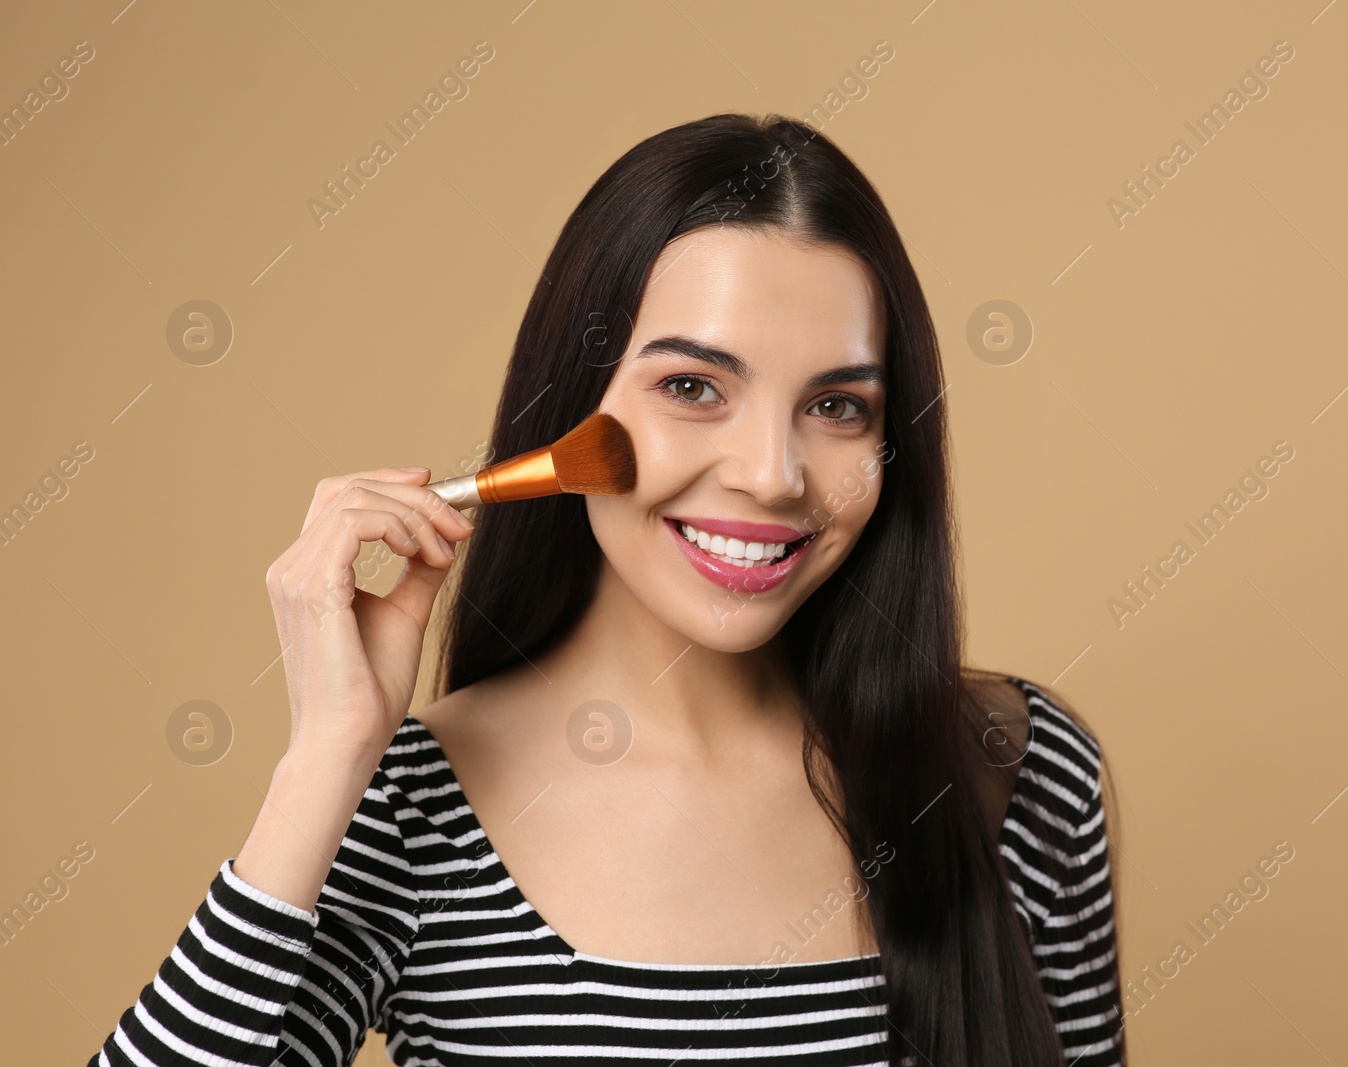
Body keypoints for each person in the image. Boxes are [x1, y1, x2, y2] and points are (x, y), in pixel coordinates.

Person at [90, 113, 1125, 1067]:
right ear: (568, 403)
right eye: (690, 387)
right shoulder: (406, 810)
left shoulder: (1015, 771)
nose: (772, 472)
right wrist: (327, 756)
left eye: (838, 406)